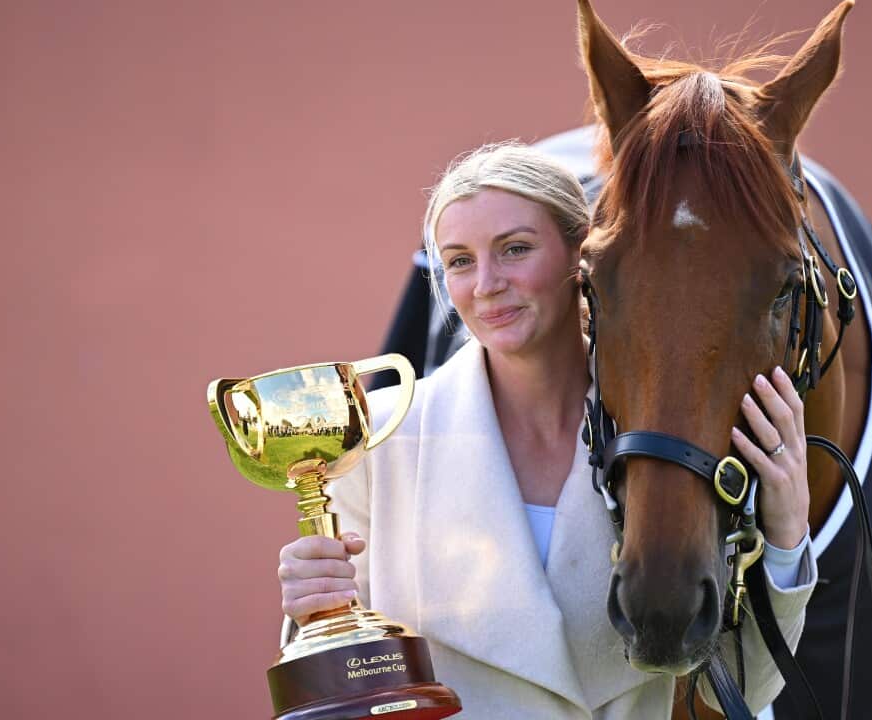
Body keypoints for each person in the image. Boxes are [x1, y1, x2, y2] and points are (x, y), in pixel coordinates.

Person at [275, 142, 817, 718]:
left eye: (514, 250)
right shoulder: (377, 442)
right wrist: (313, 610)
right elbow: (348, 698)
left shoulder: (672, 436)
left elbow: (743, 691)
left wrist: (786, 536)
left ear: (579, 257)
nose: (486, 284)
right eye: (459, 260)